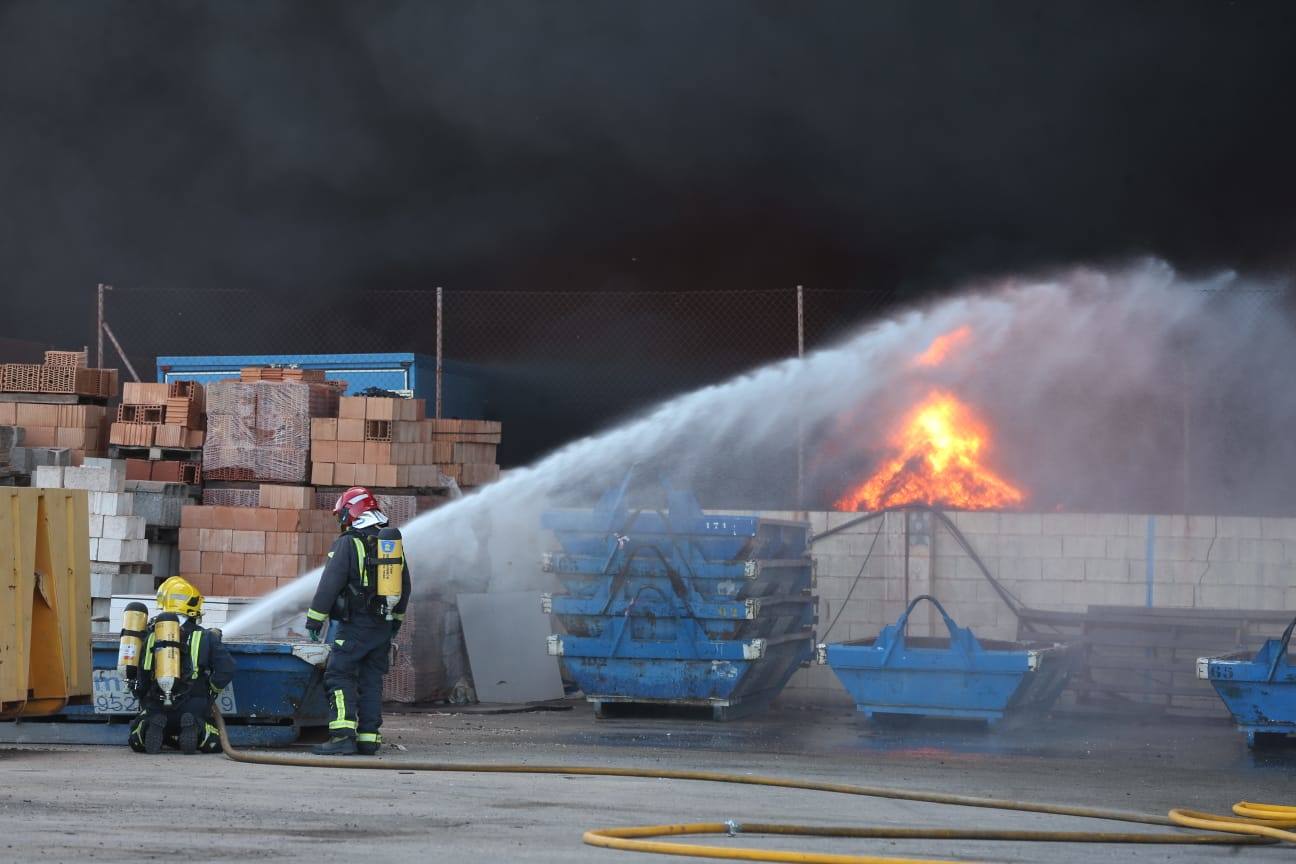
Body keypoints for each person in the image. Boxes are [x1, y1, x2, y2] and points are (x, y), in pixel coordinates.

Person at [305, 486, 411, 755]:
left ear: (352, 512)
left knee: (339, 674)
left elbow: (330, 584)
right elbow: (405, 587)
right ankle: (368, 739)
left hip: (355, 626)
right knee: (371, 680)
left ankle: (342, 737)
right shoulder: (390, 545)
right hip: (381, 626)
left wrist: (314, 620)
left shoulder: (348, 543)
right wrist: (395, 621)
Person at [129, 576, 236, 754]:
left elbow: (143, 673)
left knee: (136, 738)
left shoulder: (151, 636)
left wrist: (145, 699)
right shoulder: (205, 637)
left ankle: (150, 727)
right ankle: (197, 728)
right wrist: (211, 690)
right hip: (193, 704)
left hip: (156, 704)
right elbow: (227, 668)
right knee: (214, 743)